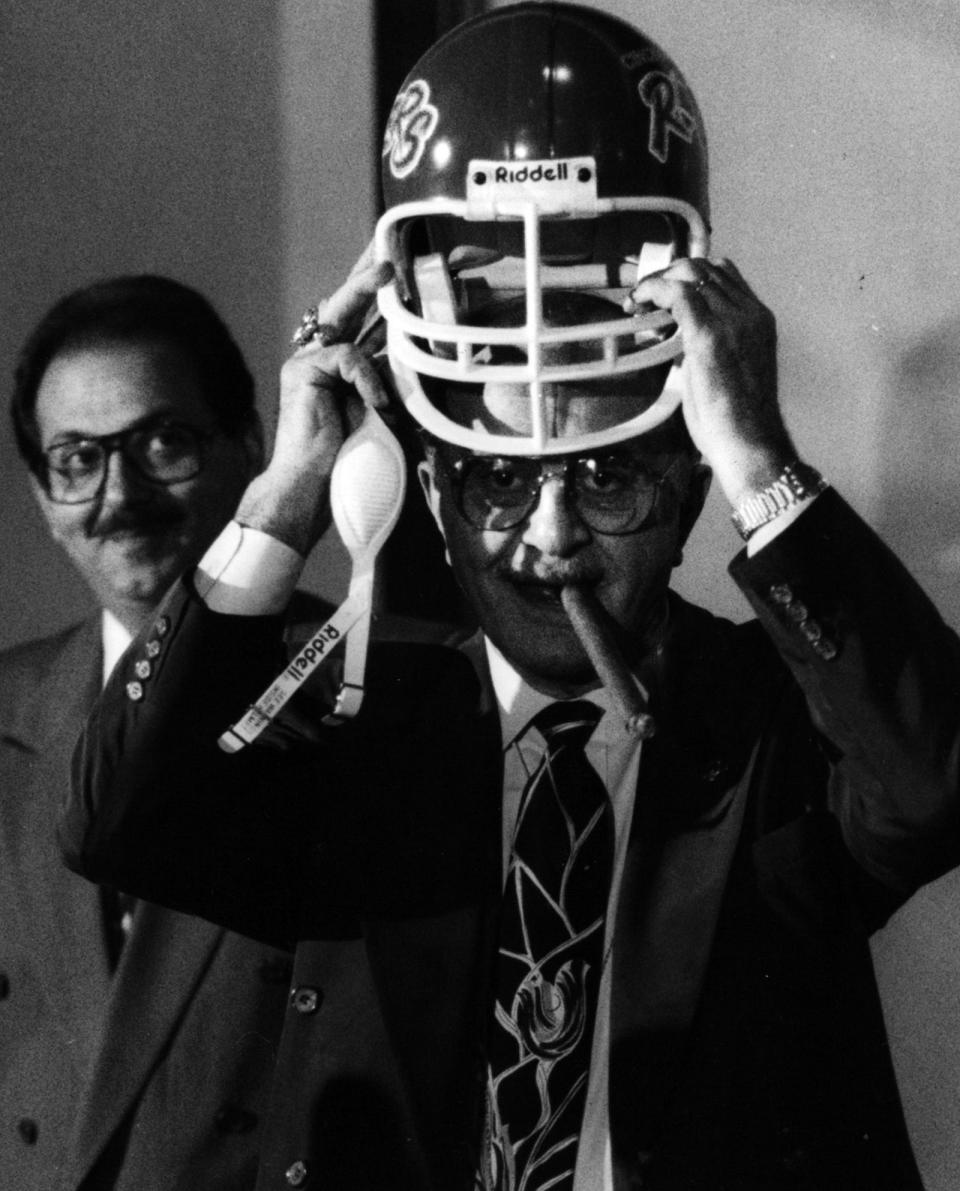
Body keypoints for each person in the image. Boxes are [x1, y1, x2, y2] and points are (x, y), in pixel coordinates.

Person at [60, 7, 960, 1190]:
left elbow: (938, 780)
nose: (549, 539)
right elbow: (120, 817)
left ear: (692, 492)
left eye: (607, 476)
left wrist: (757, 451)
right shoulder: (346, 726)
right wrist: (286, 487)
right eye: (497, 479)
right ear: (429, 494)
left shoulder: (775, 732)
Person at [0, 274, 301, 1189]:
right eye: (77, 460)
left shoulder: (368, 693)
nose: (119, 495)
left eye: (163, 442)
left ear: (251, 449)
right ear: (45, 501)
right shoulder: (4, 720)